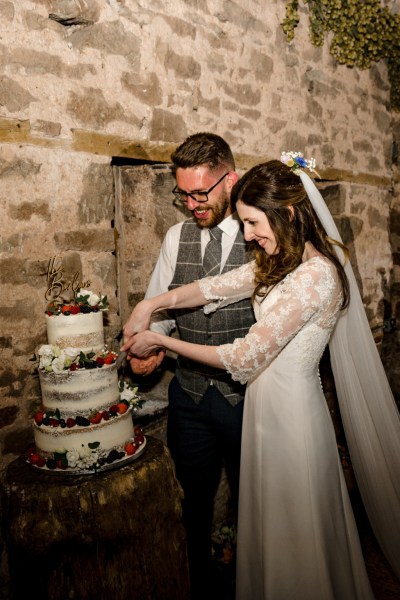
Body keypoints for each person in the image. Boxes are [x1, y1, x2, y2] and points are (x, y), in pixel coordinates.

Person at [122, 155, 400, 599]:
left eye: (252, 223)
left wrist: (164, 344)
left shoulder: (317, 277)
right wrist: (150, 306)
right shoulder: (279, 261)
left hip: (292, 420)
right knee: (270, 529)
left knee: (297, 532)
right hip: (262, 414)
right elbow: (213, 287)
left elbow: (245, 356)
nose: (248, 235)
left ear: (287, 213)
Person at [126, 132, 255, 598]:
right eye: (184, 194)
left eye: (202, 192)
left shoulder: (260, 232)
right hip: (190, 398)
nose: (193, 204)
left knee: (255, 500)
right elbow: (158, 311)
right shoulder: (175, 237)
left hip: (250, 397)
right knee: (193, 503)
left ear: (231, 179)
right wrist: (152, 348)